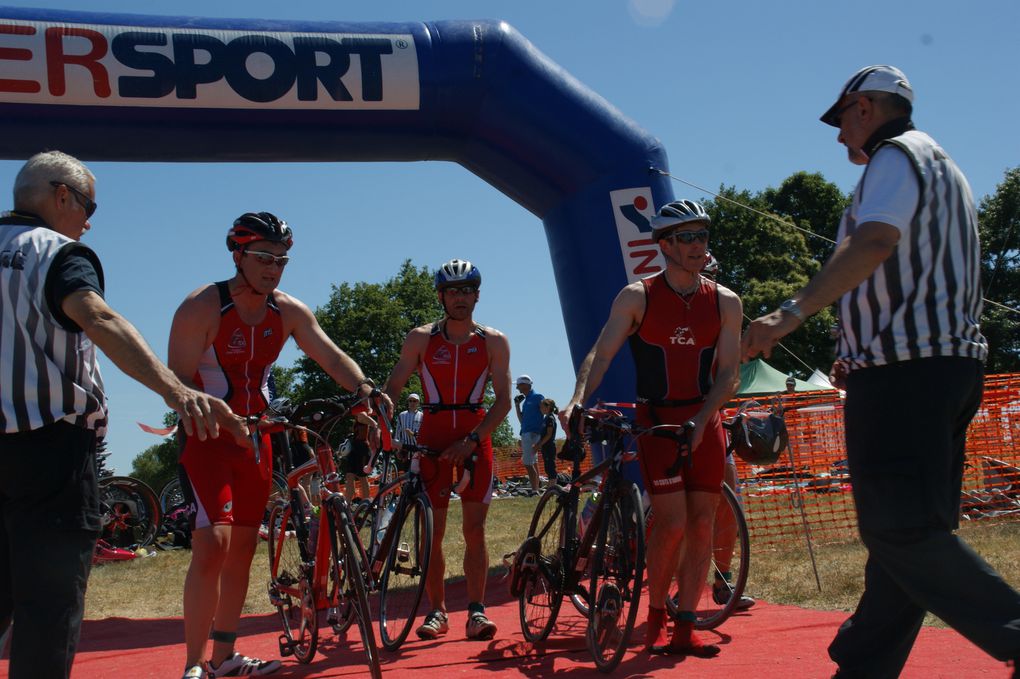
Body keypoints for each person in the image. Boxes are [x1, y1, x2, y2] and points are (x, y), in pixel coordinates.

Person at [742, 65, 1020, 678]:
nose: (840, 136)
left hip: (901, 371)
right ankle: (862, 667)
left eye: (841, 120)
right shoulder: (944, 166)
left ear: (865, 109)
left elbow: (872, 244)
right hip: (946, 367)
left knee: (899, 532)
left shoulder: (894, 160)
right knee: (909, 537)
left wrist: (786, 315)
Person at [0, 151, 248, 679]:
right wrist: (179, 392)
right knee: (48, 605)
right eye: (88, 204)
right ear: (60, 196)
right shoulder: (60, 253)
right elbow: (99, 317)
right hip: (49, 455)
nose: (89, 219)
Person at [169, 212, 387, 679]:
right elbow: (175, 381)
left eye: (282, 260)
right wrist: (208, 414)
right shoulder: (201, 307)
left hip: (259, 439)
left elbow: (329, 355)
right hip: (208, 440)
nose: (274, 267)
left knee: (245, 547)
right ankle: (192, 665)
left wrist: (366, 388)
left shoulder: (287, 310)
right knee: (214, 544)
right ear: (238, 255)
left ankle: (224, 658)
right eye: (264, 257)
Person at [563, 199, 743, 656]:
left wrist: (704, 420)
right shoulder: (637, 296)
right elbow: (600, 355)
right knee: (673, 522)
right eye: (686, 238)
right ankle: (656, 617)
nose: (698, 245)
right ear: (663, 244)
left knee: (704, 522)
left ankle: (686, 623)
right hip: (657, 420)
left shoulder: (725, 301)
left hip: (704, 417)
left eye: (702, 235)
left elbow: (729, 375)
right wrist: (578, 398)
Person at [383, 258, 511, 641]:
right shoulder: (420, 338)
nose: (461, 297)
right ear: (441, 296)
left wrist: (471, 440)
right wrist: (376, 419)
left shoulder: (493, 341)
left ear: (477, 295)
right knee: (432, 532)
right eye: (453, 291)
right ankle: (437, 611)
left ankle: (476, 611)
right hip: (433, 437)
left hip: (475, 437)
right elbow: (393, 387)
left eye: (467, 290)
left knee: (475, 529)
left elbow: (503, 401)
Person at [514, 375, 545, 491]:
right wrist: (517, 405)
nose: (517, 388)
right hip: (527, 433)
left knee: (528, 463)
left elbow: (546, 411)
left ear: (525, 385)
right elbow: (522, 420)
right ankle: (536, 488)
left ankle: (534, 490)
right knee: (533, 463)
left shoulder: (537, 397)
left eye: (519, 385)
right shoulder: (526, 401)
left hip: (533, 434)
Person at [536, 398, 559, 486]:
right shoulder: (546, 418)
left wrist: (539, 444)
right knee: (547, 467)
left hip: (549, 446)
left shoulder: (550, 418)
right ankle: (550, 486)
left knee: (550, 467)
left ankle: (552, 487)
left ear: (548, 407)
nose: (540, 408)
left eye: (542, 407)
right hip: (545, 447)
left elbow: (549, 434)